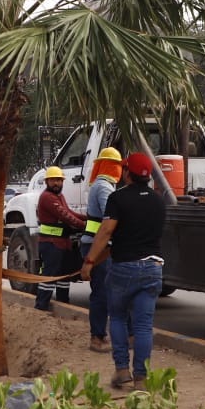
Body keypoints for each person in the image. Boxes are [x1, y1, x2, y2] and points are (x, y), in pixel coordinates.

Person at [80, 152, 167, 390]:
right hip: (153, 267)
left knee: (117, 317)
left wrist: (90, 261)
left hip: (124, 268)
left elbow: (107, 232)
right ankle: (141, 378)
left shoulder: (118, 198)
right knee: (143, 326)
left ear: (128, 173)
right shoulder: (159, 201)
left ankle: (122, 371)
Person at [79, 147, 123, 352]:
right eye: (117, 166)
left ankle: (103, 335)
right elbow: (111, 217)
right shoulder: (104, 187)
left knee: (105, 292)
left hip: (95, 244)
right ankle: (97, 337)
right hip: (99, 247)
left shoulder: (100, 185)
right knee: (102, 293)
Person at [34, 166, 87, 311]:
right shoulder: (47, 197)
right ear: (47, 182)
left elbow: (69, 212)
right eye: (53, 180)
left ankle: (64, 304)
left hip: (63, 243)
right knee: (50, 276)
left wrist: (89, 218)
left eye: (59, 180)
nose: (56, 183)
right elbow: (65, 216)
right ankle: (41, 306)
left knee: (64, 276)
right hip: (51, 243)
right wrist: (85, 226)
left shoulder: (59, 197)